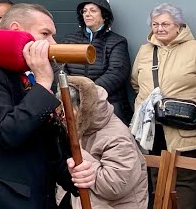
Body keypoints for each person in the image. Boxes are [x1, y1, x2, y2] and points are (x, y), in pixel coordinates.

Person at [0, 3, 95, 208]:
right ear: (17, 31)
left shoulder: (31, 75)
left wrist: (72, 174)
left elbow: (47, 143)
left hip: (39, 198)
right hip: (0, 200)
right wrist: (42, 84)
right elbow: (9, 131)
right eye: (45, 33)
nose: (53, 42)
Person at [128, 3, 196, 209]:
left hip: (184, 129)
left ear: (179, 25)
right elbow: (136, 83)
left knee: (184, 180)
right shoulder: (145, 50)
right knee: (156, 175)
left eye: (165, 23)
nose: (159, 28)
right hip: (151, 129)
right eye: (155, 24)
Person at [57, 76, 148, 209]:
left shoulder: (116, 136)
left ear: (83, 109)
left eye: (67, 110)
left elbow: (114, 187)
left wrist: (81, 159)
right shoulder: (79, 129)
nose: (62, 116)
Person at [61, 0, 132, 123]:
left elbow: (117, 73)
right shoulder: (69, 39)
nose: (87, 14)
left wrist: (89, 92)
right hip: (75, 103)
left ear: (104, 16)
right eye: (84, 11)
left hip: (108, 103)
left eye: (93, 11)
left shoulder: (117, 41)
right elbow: (62, 69)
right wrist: (75, 94)